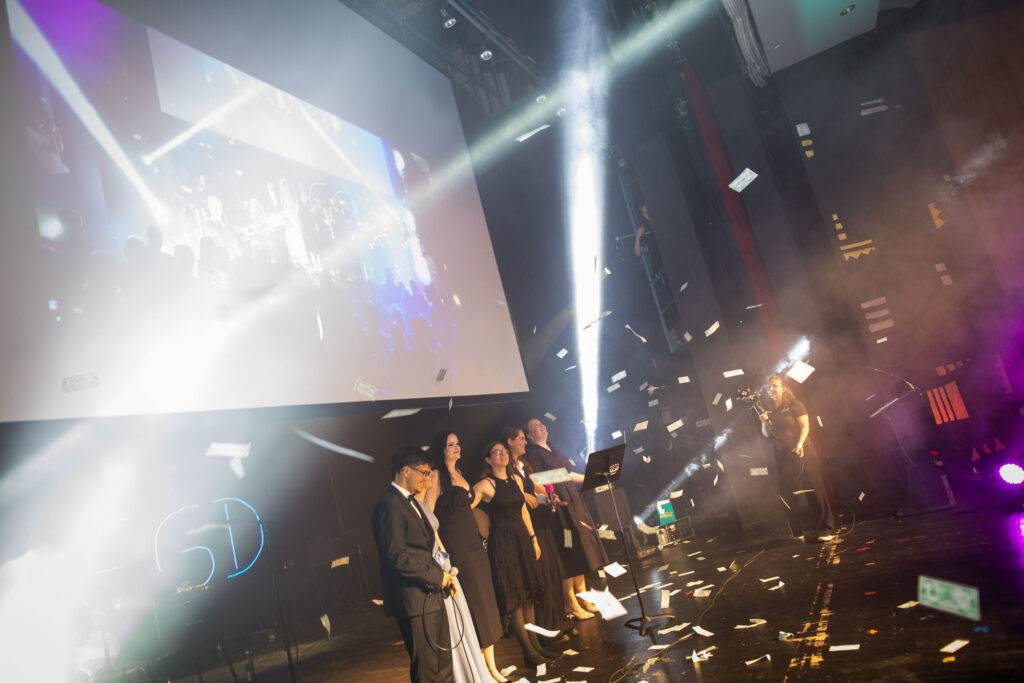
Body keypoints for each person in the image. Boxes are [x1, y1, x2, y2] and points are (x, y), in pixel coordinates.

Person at [425, 431, 507, 683]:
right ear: (441, 449)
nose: (456, 447)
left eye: (458, 443)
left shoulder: (460, 474)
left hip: (474, 544)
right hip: (457, 547)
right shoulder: (436, 476)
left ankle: (492, 667)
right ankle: (481, 669)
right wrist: (442, 552)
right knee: (476, 605)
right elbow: (429, 517)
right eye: (450, 444)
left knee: (487, 603)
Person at [371, 446, 456, 682]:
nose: (427, 478)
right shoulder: (389, 504)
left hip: (431, 595)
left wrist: (444, 578)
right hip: (413, 601)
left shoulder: (410, 502)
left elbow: (424, 551)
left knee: (443, 665)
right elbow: (397, 556)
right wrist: (436, 577)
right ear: (406, 470)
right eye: (424, 473)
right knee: (428, 671)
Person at [473, 441, 555, 667]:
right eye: (496, 452)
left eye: (504, 451)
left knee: (528, 596)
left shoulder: (516, 480)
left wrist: (533, 538)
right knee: (515, 598)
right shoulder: (485, 485)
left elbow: (524, 511)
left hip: (521, 540)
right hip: (503, 544)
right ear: (488, 459)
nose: (502, 454)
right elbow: (464, 510)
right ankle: (529, 652)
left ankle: (536, 647)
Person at [413, 466, 497, 683]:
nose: (428, 476)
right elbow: (431, 529)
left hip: (466, 547)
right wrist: (443, 559)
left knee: (483, 605)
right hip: (449, 553)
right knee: (469, 609)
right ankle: (473, 669)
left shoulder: (457, 474)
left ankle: (486, 667)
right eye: (424, 473)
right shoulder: (424, 497)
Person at [523, 418, 607, 620]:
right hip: (559, 510)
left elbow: (568, 474)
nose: (542, 426)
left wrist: (592, 478)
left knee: (579, 549)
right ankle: (570, 602)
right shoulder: (532, 454)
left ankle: (582, 596)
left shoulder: (553, 449)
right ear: (529, 435)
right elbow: (535, 480)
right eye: (536, 426)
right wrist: (564, 480)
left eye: (542, 424)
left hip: (574, 504)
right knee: (567, 552)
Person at [498, 426, 578, 633]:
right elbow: (512, 495)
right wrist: (524, 496)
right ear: (510, 442)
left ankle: (559, 619)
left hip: (540, 520)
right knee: (541, 573)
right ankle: (546, 626)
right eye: (521, 438)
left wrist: (548, 499)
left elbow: (535, 490)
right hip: (526, 525)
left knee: (552, 569)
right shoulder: (507, 470)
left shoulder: (523, 465)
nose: (525, 442)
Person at [759, 374, 836, 542]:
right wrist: (764, 421)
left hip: (802, 450)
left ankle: (825, 530)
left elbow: (805, 426)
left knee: (814, 489)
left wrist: (799, 443)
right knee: (788, 493)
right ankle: (797, 531)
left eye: (775, 386)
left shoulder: (795, 405)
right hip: (782, 454)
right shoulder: (768, 408)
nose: (771, 389)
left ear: (783, 388)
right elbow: (766, 434)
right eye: (769, 386)